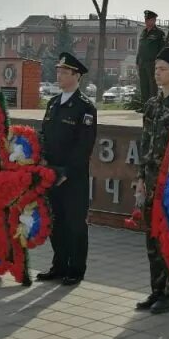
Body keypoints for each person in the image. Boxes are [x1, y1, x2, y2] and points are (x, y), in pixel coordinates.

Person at [132, 47, 169, 315]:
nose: (157, 73)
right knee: (152, 240)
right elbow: (145, 142)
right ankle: (156, 289)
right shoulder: (152, 104)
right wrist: (141, 178)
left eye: (163, 69)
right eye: (155, 69)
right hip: (152, 181)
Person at [36, 53, 98, 286]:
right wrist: (40, 159)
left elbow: (84, 146)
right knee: (56, 222)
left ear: (76, 76)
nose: (58, 75)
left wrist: (65, 172)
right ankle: (59, 265)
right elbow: (44, 136)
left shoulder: (85, 107)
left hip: (72, 178)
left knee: (75, 224)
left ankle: (76, 269)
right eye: (59, 71)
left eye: (64, 71)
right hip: (50, 175)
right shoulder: (53, 103)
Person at [136, 10, 165, 104]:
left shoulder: (159, 33)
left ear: (154, 20)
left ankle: (153, 106)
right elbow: (140, 48)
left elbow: (162, 50)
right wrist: (137, 62)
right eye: (146, 19)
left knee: (152, 86)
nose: (146, 21)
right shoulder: (143, 32)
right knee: (143, 86)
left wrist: (159, 62)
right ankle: (145, 106)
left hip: (153, 63)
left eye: (149, 19)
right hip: (142, 63)